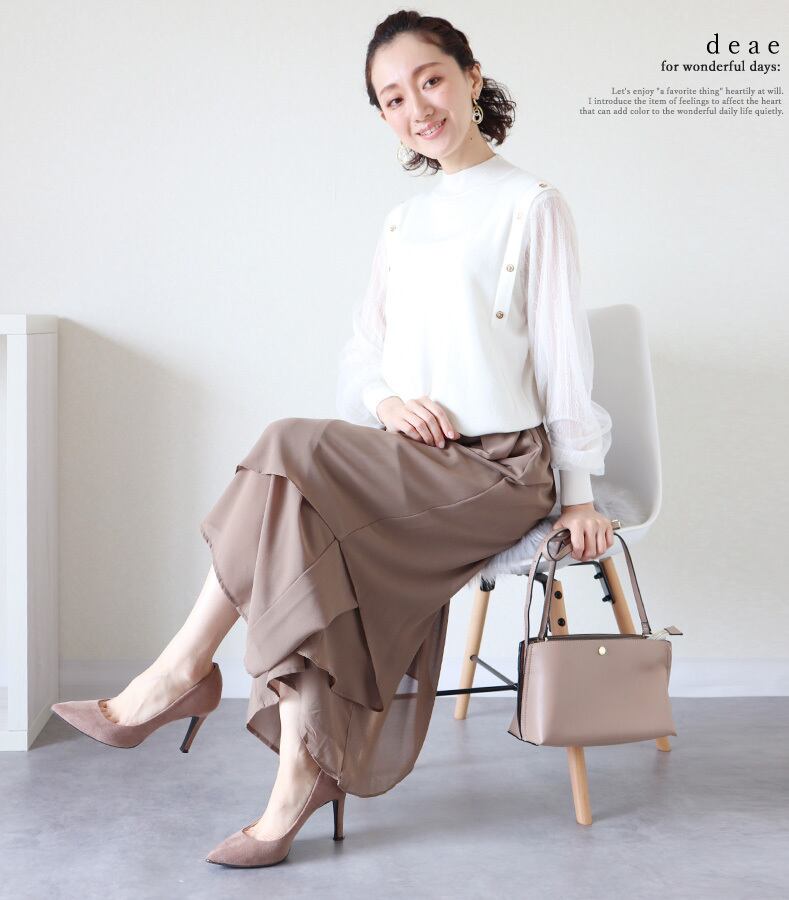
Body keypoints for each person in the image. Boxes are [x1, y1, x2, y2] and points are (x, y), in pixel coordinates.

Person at [51, 10, 614, 868]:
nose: (416, 107)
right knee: (297, 530)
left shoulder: (532, 205)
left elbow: (566, 360)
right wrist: (388, 401)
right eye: (392, 98)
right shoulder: (402, 223)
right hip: (414, 464)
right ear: (383, 115)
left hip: (501, 471)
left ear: (470, 77)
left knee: (287, 446)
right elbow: (361, 355)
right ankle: (296, 777)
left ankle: (178, 675)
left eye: (430, 80)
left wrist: (578, 494)